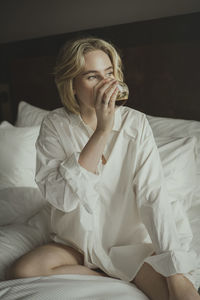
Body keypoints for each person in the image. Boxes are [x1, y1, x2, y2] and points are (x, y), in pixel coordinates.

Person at [7, 37, 200, 300]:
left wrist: (174, 269)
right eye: (92, 77)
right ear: (72, 85)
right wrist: (102, 130)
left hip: (130, 247)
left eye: (109, 73)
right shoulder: (54, 125)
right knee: (22, 270)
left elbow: (152, 196)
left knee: (177, 291)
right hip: (76, 244)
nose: (106, 84)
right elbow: (62, 199)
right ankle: (109, 277)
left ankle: (125, 272)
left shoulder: (136, 124)